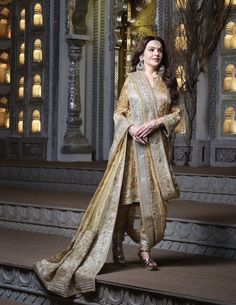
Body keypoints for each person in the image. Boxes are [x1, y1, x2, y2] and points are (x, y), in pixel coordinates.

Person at [33, 35, 181, 298]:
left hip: (157, 151)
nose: (156, 53)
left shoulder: (167, 82)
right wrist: (132, 127)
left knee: (155, 202)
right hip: (132, 149)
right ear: (141, 54)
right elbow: (119, 112)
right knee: (124, 199)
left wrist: (157, 123)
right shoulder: (131, 81)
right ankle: (119, 245)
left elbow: (178, 114)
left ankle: (146, 245)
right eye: (151, 49)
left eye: (159, 49)